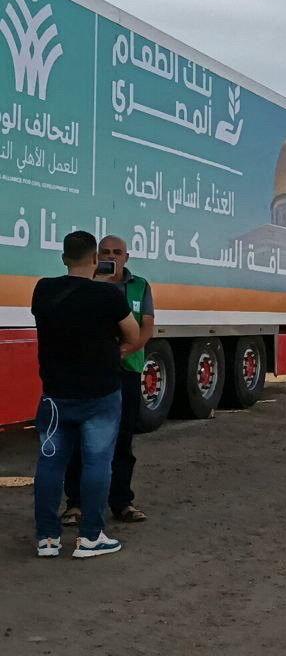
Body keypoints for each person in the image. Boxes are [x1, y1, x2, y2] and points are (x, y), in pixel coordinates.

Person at [32, 231, 141, 559]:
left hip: (54, 396)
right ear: (96, 259)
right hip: (100, 396)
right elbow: (134, 334)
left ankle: (47, 539)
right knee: (97, 463)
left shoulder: (43, 289)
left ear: (64, 258)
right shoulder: (109, 296)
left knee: (50, 464)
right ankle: (91, 537)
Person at [62, 235, 154, 528]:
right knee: (80, 442)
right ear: (94, 256)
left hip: (126, 371)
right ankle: (75, 504)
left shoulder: (140, 286)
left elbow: (147, 326)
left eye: (117, 252)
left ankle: (122, 502)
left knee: (122, 441)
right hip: (92, 374)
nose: (111, 257)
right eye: (105, 252)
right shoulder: (86, 285)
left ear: (127, 257)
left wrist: (126, 349)